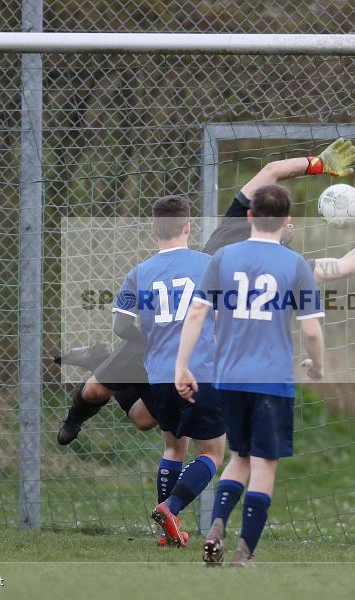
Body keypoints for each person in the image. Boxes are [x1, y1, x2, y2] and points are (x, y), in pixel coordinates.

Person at [55, 138, 355, 443]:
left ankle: (99, 358)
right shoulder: (238, 221)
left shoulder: (275, 266)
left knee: (144, 418)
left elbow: (339, 266)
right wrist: (315, 164)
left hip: (198, 348)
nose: (291, 220)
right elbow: (272, 170)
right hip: (165, 324)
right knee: (96, 390)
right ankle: (75, 415)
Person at [175, 184, 325, 566]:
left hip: (228, 377)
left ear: (249, 217)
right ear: (288, 220)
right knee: (264, 464)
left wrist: (182, 365)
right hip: (272, 379)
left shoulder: (223, 257)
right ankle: (245, 551)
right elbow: (310, 329)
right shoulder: (295, 264)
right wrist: (317, 364)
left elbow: (196, 313)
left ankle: (216, 525)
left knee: (239, 456)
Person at [112, 195, 225, 547]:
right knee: (212, 453)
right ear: (188, 226)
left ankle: (167, 533)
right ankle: (172, 507)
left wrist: (149, 339)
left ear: (153, 229)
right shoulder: (209, 265)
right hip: (199, 372)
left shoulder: (139, 273)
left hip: (160, 376)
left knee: (174, 448)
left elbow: (120, 326)